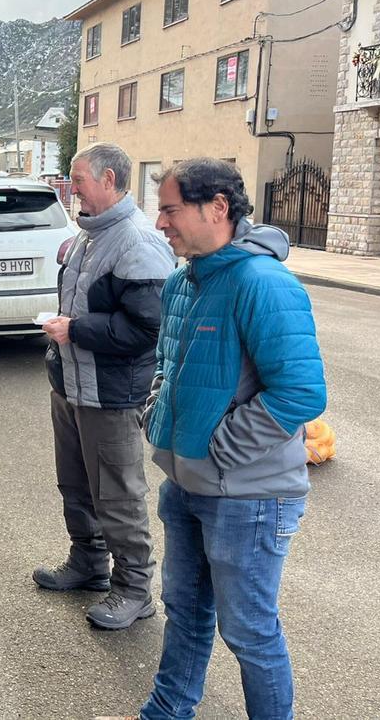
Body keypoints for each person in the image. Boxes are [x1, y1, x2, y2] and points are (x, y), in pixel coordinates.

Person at [120, 158, 326, 720]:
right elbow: (166, 363)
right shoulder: (185, 281)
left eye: (169, 209)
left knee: (250, 633)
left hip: (250, 498)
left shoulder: (264, 283)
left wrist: (217, 450)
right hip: (186, 486)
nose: (159, 222)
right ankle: (166, 712)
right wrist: (156, 412)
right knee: (184, 611)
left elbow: (301, 394)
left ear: (216, 208)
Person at [37, 143, 175, 629]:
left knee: (117, 495)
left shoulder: (137, 241)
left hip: (110, 393)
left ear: (111, 180)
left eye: (79, 181)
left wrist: (74, 331)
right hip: (71, 385)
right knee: (75, 483)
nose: (72, 189)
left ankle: (135, 589)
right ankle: (89, 564)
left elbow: (147, 330)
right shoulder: (88, 236)